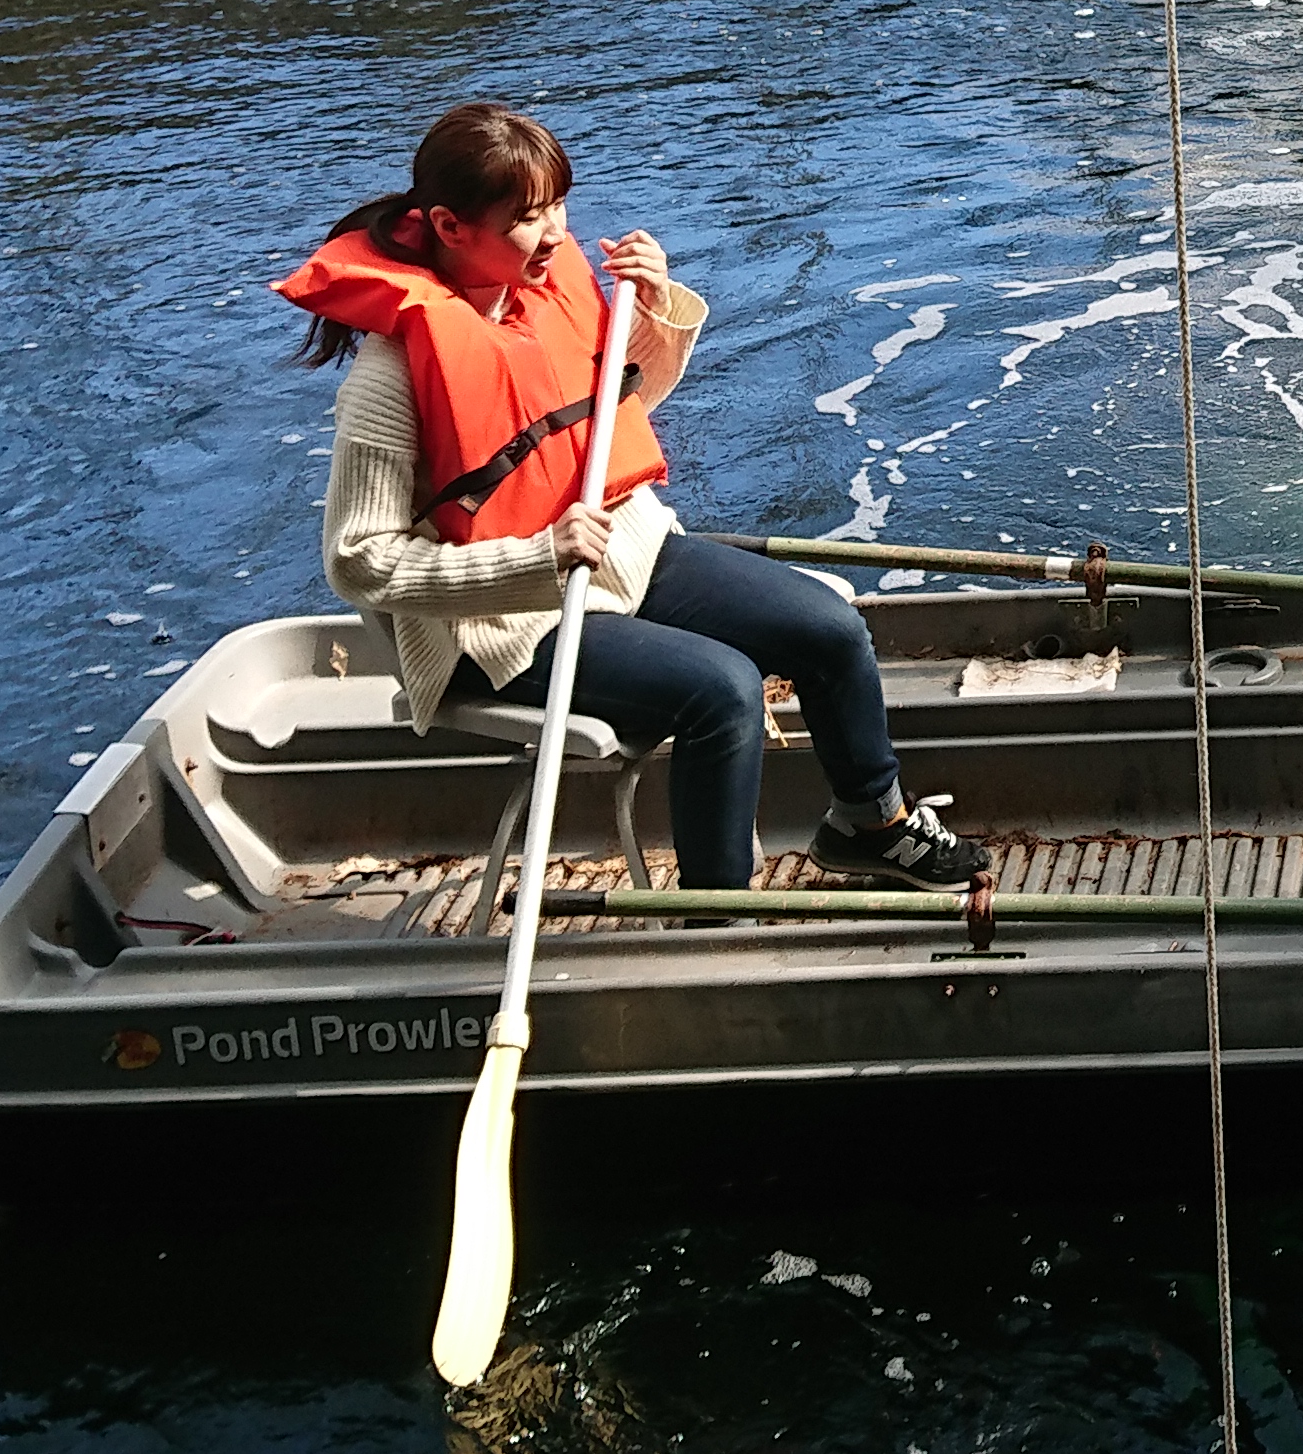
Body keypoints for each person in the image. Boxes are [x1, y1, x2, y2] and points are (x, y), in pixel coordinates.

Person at [275, 100, 986, 893]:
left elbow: (615, 418)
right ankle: (716, 914)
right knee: (723, 689)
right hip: (500, 625)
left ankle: (871, 824)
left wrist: (656, 315)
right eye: (527, 218)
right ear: (448, 227)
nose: (554, 235)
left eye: (556, 209)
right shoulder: (391, 375)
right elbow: (358, 562)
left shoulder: (535, 300)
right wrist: (536, 557)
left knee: (830, 629)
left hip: (623, 552)